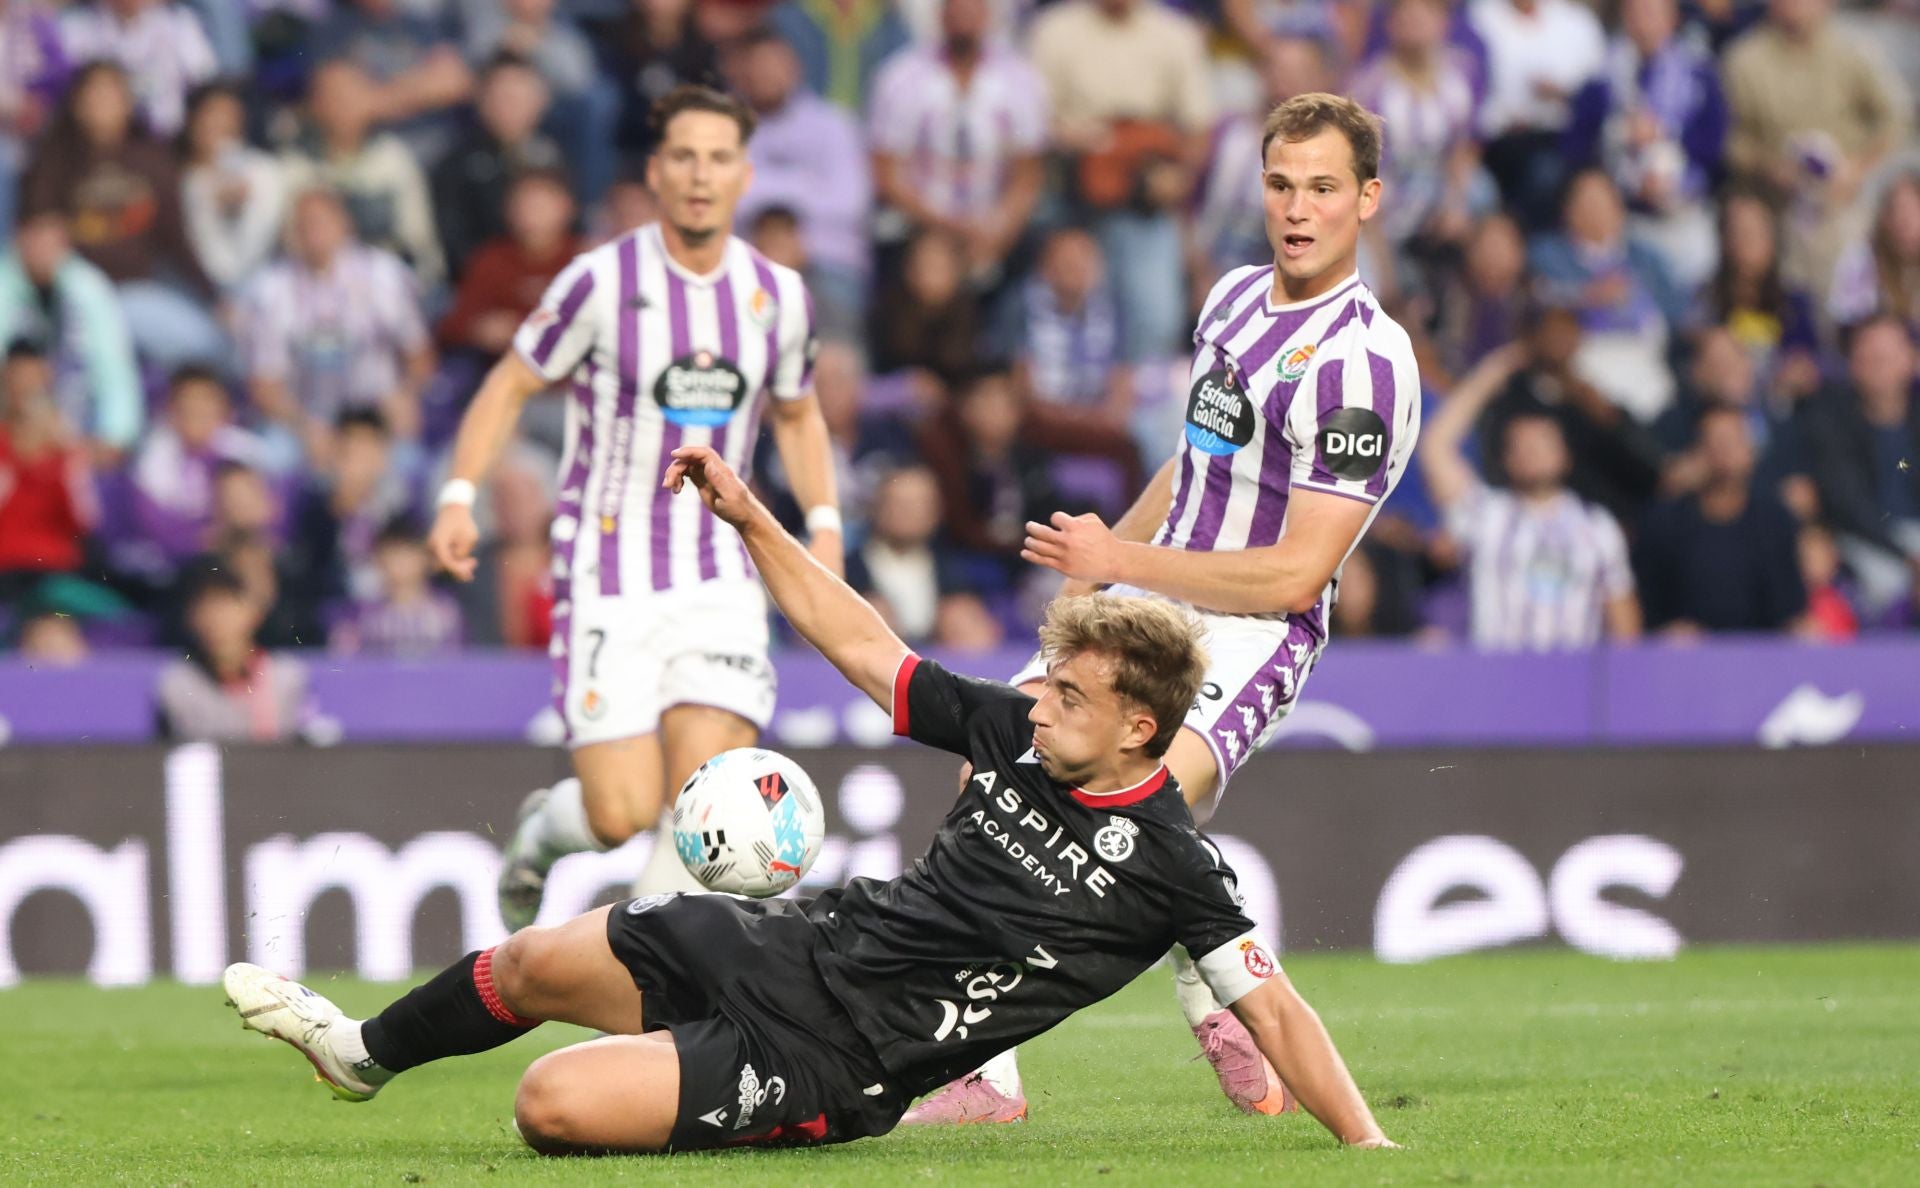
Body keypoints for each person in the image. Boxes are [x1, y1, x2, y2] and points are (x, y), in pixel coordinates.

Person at [223, 440, 1397, 1155]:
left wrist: (1367, 1140)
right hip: (795, 946)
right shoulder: (1014, 731)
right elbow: (864, 644)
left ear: (1142, 727)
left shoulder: (1174, 864)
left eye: (1070, 696)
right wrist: (749, 517)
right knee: (530, 965)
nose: (1038, 706)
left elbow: (1276, 1009)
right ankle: (357, 1055)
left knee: (550, 1106)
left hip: (847, 1058)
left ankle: (708, 1086)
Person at [910, 92, 1422, 1125]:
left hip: (1249, 631)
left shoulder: (1364, 364)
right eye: (1281, 184)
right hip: (1145, 587)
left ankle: (1210, 962)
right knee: (991, 767)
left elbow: (1294, 573)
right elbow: (1195, 467)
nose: (1298, 208)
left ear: (1368, 198)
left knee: (1130, 801)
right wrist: (1100, 572)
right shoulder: (1232, 299)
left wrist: (1122, 556)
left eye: (1324, 188)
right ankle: (988, 1074)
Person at [426, 85, 842, 931]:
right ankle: (546, 831)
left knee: (701, 801)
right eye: (683, 156)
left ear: (743, 173)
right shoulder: (599, 282)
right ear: (656, 173)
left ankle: (642, 980)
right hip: (608, 570)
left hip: (722, 573)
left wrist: (824, 527)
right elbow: (510, 382)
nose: (701, 175)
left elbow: (798, 414)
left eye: (718, 158)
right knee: (620, 811)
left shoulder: (778, 297)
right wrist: (459, 495)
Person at [1421, 342, 1643, 650]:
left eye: (1542, 442)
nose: (1533, 452)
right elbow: (1436, 446)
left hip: (1573, 685)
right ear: (1507, 460)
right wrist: (1490, 375)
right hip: (1496, 682)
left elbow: (1624, 625)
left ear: (1564, 454)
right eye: (1522, 446)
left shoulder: (1597, 526)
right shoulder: (1485, 515)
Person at [1632, 406, 1806, 636]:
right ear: (1697, 451)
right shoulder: (1664, 521)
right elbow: (1645, 605)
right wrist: (1664, 633)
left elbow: (1791, 609)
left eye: (1732, 441)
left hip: (1762, 654)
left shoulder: (1775, 520)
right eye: (1713, 442)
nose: (1723, 452)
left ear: (1750, 451)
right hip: (1685, 658)